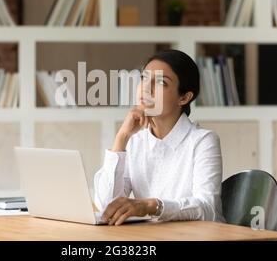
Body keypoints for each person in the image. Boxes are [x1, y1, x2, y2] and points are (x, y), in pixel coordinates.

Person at [94, 49, 224, 225]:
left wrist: (150, 206)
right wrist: (122, 137)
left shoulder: (203, 141)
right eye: (144, 78)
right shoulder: (135, 141)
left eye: (161, 82)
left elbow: (208, 209)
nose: (147, 88)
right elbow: (105, 207)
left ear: (184, 97)